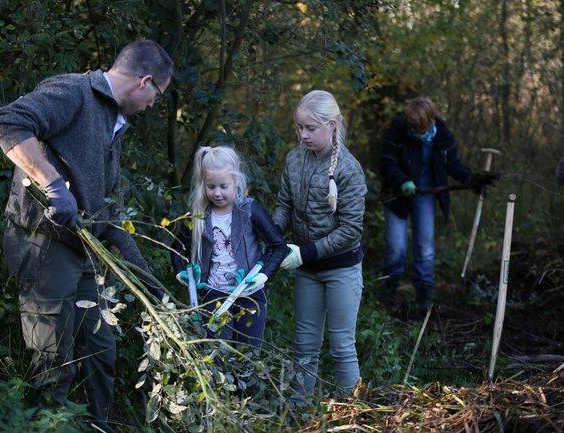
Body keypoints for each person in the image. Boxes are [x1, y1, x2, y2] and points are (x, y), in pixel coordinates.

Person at [0, 40, 174, 430]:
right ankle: (46, 425)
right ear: (144, 82)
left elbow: (110, 216)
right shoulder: (73, 91)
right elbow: (7, 122)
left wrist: (154, 286)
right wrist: (53, 185)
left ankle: (99, 426)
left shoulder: (114, 125)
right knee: (53, 356)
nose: (154, 104)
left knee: (100, 351)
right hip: (42, 241)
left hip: (83, 250)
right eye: (158, 94)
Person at [272, 90, 367, 397]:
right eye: (299, 128)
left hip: (341, 268)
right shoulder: (294, 159)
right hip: (306, 268)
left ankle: (353, 414)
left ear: (333, 125)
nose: (303, 135)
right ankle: (300, 416)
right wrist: (273, 241)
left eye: (311, 128)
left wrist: (306, 253)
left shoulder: (349, 170)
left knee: (341, 345)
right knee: (304, 346)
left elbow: (350, 229)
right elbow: (284, 206)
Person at [379, 96, 494, 312]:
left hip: (425, 195)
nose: (415, 130)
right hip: (396, 195)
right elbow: (387, 162)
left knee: (425, 247)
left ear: (430, 121)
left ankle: (424, 293)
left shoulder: (441, 133)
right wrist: (402, 180)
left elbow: (453, 163)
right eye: (412, 125)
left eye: (419, 127)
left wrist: (470, 178)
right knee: (397, 247)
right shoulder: (397, 129)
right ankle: (388, 289)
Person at [171, 146, 287, 349]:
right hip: (213, 295)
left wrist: (264, 275)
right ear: (203, 185)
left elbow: (278, 246)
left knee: (248, 357)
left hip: (249, 295)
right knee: (216, 358)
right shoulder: (199, 215)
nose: (217, 193)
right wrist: (181, 271)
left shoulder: (249, 210)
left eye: (223, 186)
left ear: (236, 182)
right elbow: (177, 247)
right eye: (211, 186)